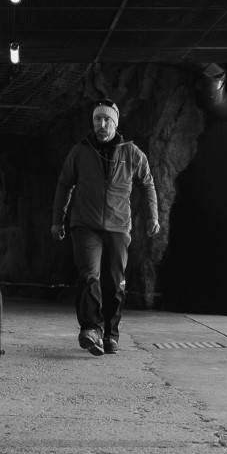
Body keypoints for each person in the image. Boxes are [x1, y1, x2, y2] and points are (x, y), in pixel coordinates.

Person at [50, 99, 159, 355]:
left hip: (119, 227)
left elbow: (148, 183)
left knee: (115, 282)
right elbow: (64, 184)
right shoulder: (80, 151)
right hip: (85, 225)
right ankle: (91, 329)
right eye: (97, 119)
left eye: (106, 120)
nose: (101, 124)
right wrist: (58, 219)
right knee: (90, 276)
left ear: (115, 123)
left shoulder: (132, 153)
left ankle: (111, 334)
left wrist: (152, 216)